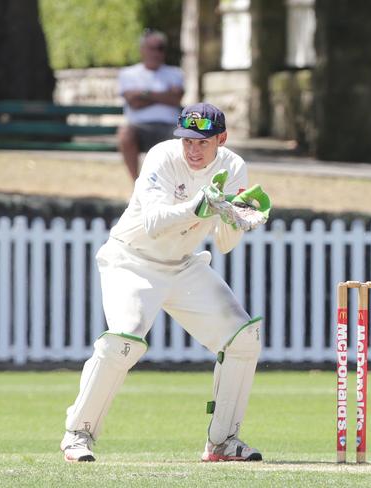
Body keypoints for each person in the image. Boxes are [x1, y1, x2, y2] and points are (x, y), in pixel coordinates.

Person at [60, 102, 270, 463]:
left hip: (183, 266)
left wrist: (238, 220)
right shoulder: (161, 157)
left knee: (243, 338)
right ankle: (78, 434)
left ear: (221, 138)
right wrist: (200, 206)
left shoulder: (233, 166)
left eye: (202, 142)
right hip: (131, 261)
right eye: (187, 141)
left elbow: (223, 243)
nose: (192, 150)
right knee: (124, 340)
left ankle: (223, 442)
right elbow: (156, 222)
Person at [117, 28, 184, 180]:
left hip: (169, 128)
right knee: (125, 134)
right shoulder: (128, 74)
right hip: (139, 128)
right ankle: (137, 183)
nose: (156, 53)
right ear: (142, 50)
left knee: (185, 137)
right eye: (152, 48)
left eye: (160, 48)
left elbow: (175, 100)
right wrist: (164, 95)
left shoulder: (175, 73)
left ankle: (175, 187)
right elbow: (134, 103)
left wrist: (143, 94)